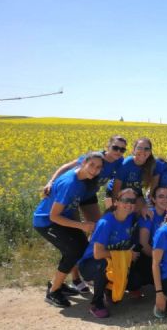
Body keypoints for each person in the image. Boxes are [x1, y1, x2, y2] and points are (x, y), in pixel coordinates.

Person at [33, 151, 104, 307]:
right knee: (73, 251)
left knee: (80, 248)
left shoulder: (82, 179)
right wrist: (82, 225)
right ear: (83, 162)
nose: (94, 169)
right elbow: (54, 216)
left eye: (98, 167)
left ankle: (56, 284)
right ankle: (53, 292)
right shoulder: (71, 184)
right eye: (91, 165)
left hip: (60, 220)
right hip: (46, 222)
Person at [78, 188, 138, 318]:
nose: (129, 204)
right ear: (116, 202)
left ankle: (109, 290)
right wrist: (126, 255)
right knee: (103, 264)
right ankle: (96, 304)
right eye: (125, 200)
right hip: (91, 265)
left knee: (132, 276)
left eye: (132, 201)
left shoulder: (130, 217)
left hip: (111, 260)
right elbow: (98, 254)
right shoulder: (106, 223)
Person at [43, 135, 127, 220]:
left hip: (89, 194)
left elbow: (117, 182)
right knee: (74, 225)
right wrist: (51, 181)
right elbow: (68, 166)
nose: (118, 151)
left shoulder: (119, 161)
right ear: (108, 147)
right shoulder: (95, 157)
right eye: (115, 148)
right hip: (74, 193)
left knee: (96, 225)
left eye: (122, 150)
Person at [128, 186, 167, 296]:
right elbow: (143, 244)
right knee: (136, 281)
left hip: (159, 255)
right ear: (153, 199)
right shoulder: (148, 214)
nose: (165, 200)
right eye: (161, 197)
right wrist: (161, 261)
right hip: (144, 255)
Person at [110, 137, 160, 218]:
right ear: (133, 150)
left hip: (136, 192)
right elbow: (116, 189)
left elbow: (155, 183)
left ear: (150, 152)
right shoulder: (127, 164)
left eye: (146, 149)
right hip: (117, 192)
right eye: (139, 148)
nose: (143, 151)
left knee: (145, 213)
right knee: (119, 215)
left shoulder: (152, 164)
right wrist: (114, 207)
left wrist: (150, 199)